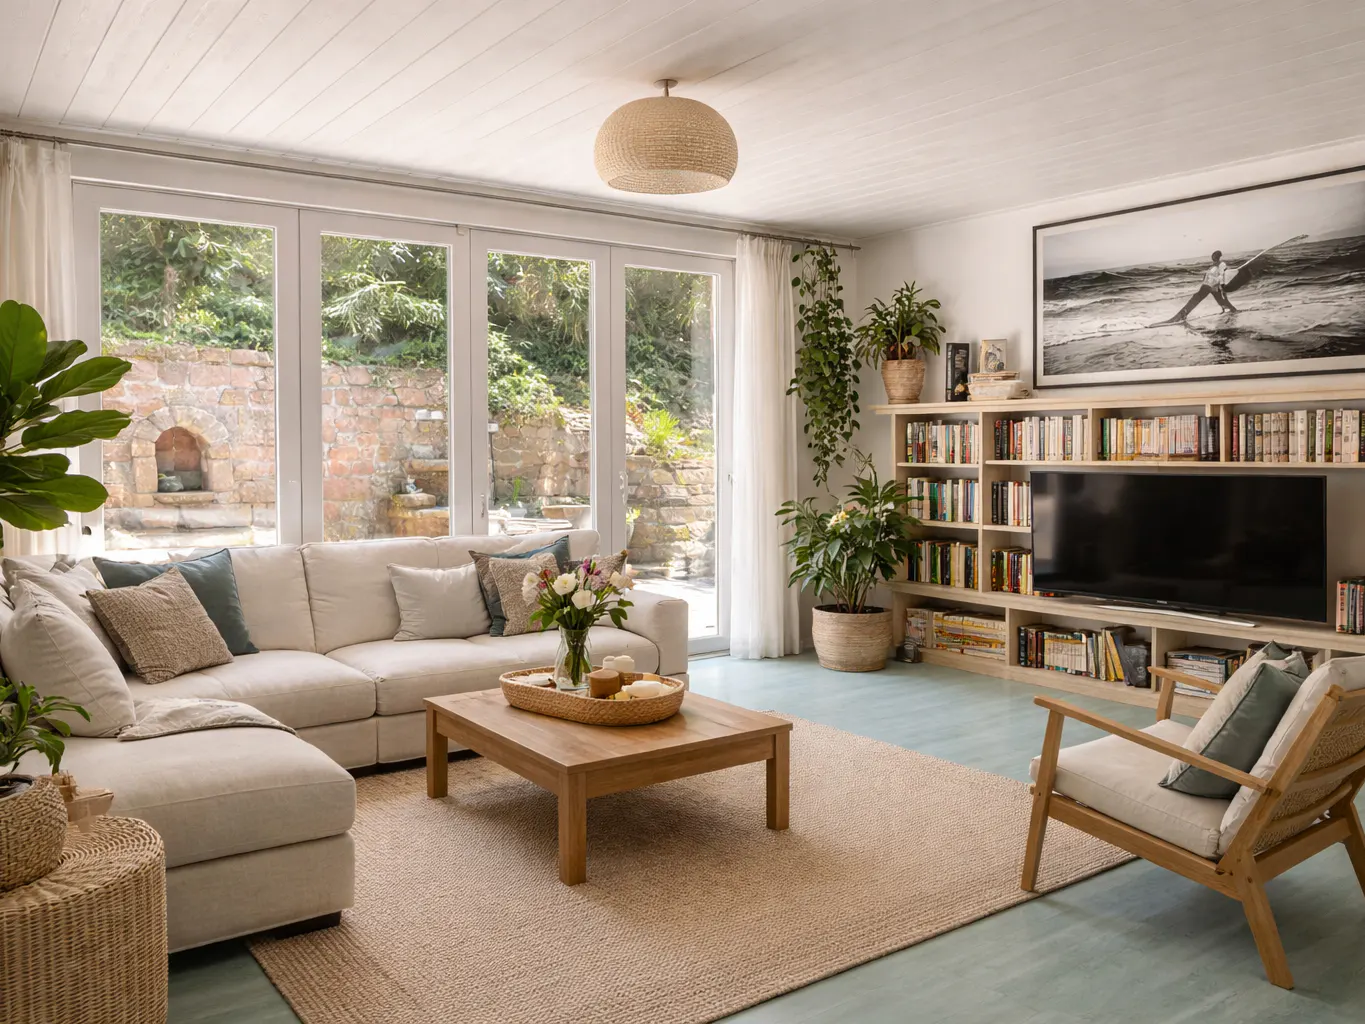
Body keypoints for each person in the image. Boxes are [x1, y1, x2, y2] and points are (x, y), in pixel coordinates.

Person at [1158, 250, 1239, 324]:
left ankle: (1181, 316)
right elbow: (1209, 276)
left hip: (1212, 286)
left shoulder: (1222, 264)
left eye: (1214, 255)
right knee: (1220, 300)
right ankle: (1233, 310)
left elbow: (1222, 276)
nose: (1213, 257)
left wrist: (1219, 286)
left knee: (1197, 298)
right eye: (1213, 255)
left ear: (1217, 256)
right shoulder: (1213, 265)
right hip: (1208, 285)